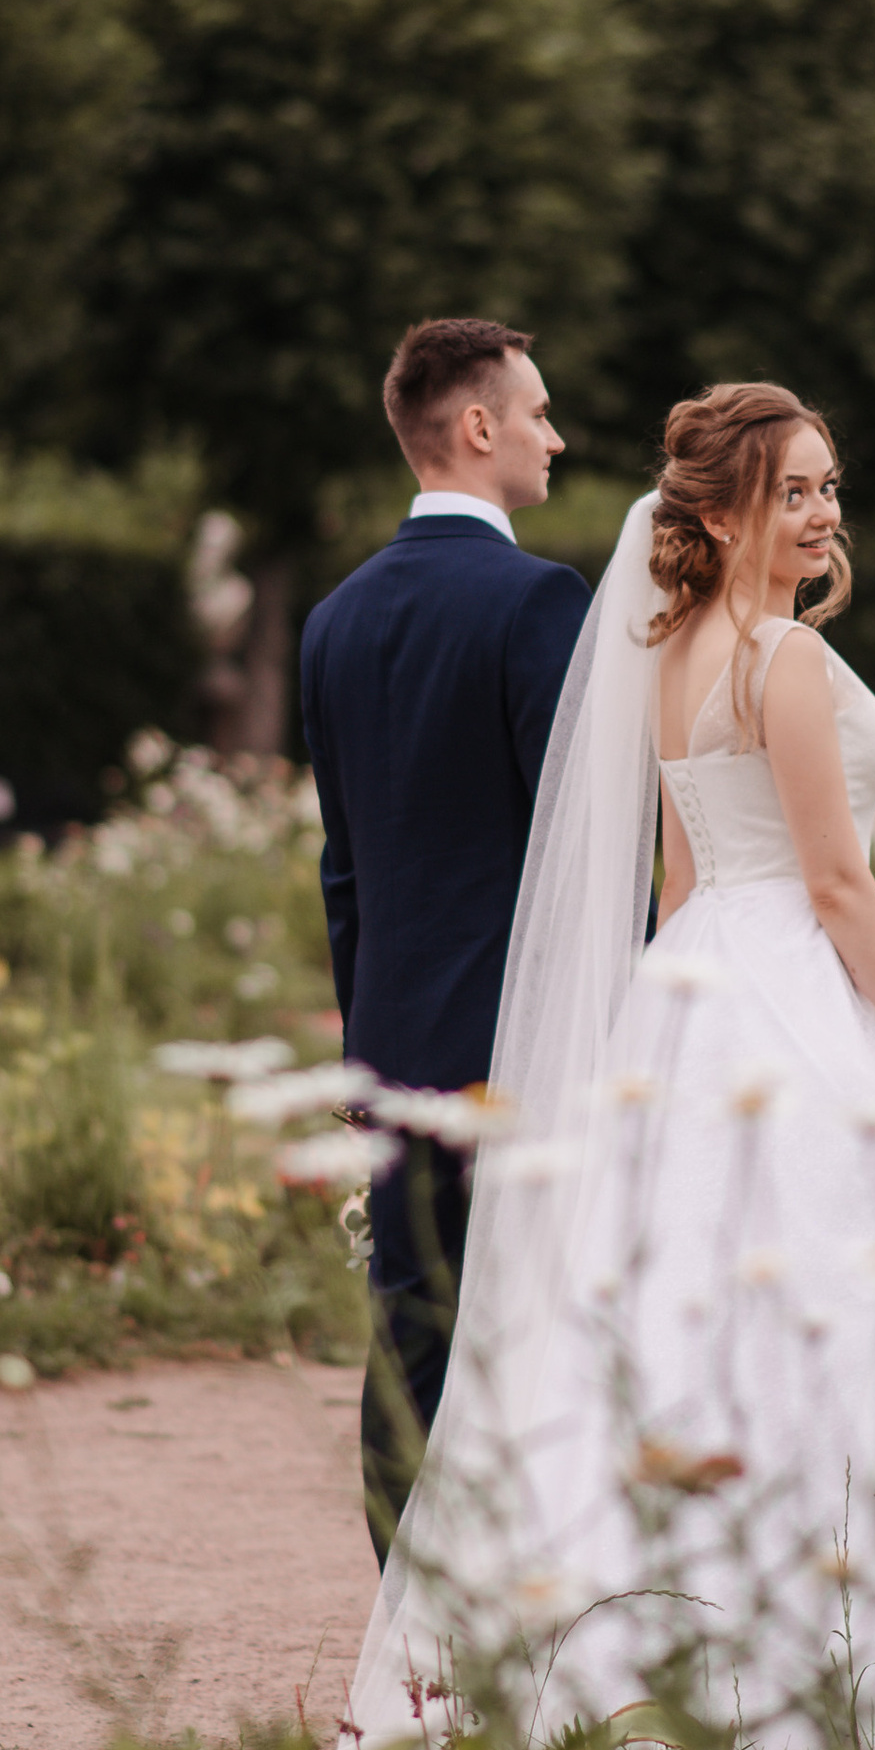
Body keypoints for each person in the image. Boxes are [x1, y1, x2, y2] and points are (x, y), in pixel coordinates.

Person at [349, 381, 875, 1750]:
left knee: (674, 1329)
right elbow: (838, 882)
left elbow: (676, 875)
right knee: (818, 1310)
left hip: (695, 981)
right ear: (722, 512)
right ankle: (826, 1643)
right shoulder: (776, 656)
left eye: (830, 485)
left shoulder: (663, 652)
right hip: (787, 987)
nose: (824, 510)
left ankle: (627, 1640)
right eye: (793, 490)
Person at [300, 318, 591, 1555]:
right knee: (543, 1336)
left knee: (409, 1336)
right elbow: (578, 853)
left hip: (400, 1045)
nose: (554, 435)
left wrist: (364, 1051)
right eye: (536, 413)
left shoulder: (335, 619)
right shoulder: (536, 602)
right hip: (523, 1055)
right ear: (477, 428)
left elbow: (347, 867)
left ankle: (403, 1624)